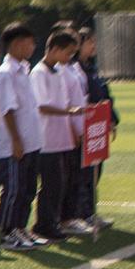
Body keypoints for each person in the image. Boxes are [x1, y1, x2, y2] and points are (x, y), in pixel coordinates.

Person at [0, 23, 48, 252]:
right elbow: (7, 109)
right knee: (14, 188)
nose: (33, 46)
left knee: (28, 189)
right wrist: (15, 140)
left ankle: (21, 228)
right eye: (29, 42)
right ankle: (9, 232)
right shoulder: (5, 74)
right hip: (17, 142)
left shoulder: (23, 69)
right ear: (16, 44)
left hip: (31, 141)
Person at [31, 30, 90, 242]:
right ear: (54, 49)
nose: (69, 58)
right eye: (67, 53)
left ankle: (53, 222)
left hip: (60, 138)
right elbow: (42, 105)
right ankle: (43, 225)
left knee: (60, 184)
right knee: (51, 185)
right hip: (47, 140)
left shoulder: (57, 72)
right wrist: (69, 112)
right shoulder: (39, 73)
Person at [74, 28, 115, 232]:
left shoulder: (92, 68)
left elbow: (105, 94)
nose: (93, 46)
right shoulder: (76, 69)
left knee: (95, 171)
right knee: (84, 173)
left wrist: (111, 119)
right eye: (89, 42)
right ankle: (82, 213)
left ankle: (90, 212)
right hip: (85, 125)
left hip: (97, 126)